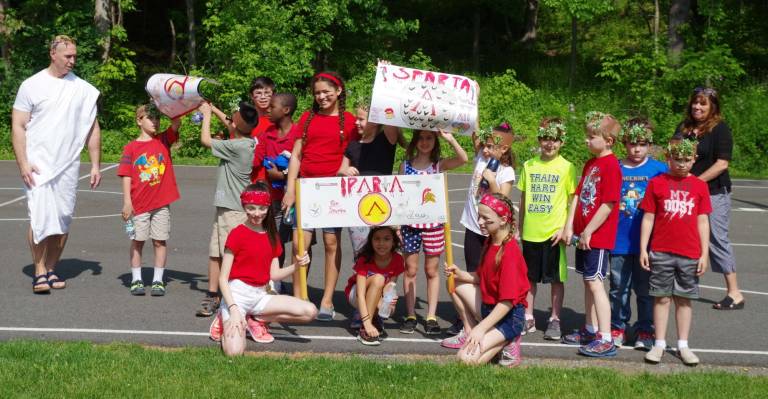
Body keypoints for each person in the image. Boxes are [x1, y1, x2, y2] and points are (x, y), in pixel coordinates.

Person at [11, 35, 101, 294]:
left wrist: (95, 164)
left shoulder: (83, 89)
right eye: (67, 56)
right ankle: (39, 271)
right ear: (53, 54)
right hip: (38, 166)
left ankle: (51, 267)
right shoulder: (32, 85)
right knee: (40, 217)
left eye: (74, 56)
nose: (72, 61)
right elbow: (17, 126)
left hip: (68, 166)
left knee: (62, 221)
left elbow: (92, 128)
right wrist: (23, 163)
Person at [282, 71, 358, 320]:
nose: (321, 96)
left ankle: (327, 300)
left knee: (331, 244)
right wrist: (291, 190)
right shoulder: (307, 118)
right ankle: (299, 297)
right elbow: (296, 155)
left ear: (338, 91)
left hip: (333, 192)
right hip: (306, 189)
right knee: (298, 245)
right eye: (317, 92)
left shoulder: (349, 121)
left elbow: (354, 152)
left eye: (326, 91)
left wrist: (346, 169)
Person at [211, 183, 318, 356]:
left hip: (260, 296)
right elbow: (223, 279)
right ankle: (224, 320)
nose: (256, 213)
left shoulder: (272, 235)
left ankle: (256, 319)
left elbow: (274, 275)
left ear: (268, 208)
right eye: (251, 208)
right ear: (244, 207)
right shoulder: (237, 234)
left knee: (310, 312)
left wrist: (297, 266)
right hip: (236, 296)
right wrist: (233, 309)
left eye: (261, 208)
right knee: (234, 352)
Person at [639, 138, 711, 366]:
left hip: (689, 253)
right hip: (661, 251)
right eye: (676, 159)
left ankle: (683, 345)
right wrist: (643, 247)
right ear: (668, 158)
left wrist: (704, 253)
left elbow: (703, 221)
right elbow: (648, 217)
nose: (681, 164)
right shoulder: (657, 183)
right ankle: (659, 344)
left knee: (684, 299)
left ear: (694, 159)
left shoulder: (700, 185)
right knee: (661, 298)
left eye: (686, 160)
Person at [443, 122, 516, 340]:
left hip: (489, 232)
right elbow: (475, 129)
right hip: (472, 226)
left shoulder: (506, 171)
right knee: (469, 272)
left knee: (484, 277)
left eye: (491, 146)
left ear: (503, 149)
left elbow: (501, 201)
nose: (485, 149)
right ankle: (467, 319)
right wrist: (476, 95)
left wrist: (492, 180)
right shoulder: (482, 158)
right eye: (484, 145)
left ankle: (485, 319)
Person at [674, 87, 744, 311]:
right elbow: (673, 151)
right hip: (686, 192)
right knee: (686, 237)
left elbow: (722, 163)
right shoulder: (684, 128)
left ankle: (734, 292)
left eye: (703, 104)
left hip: (714, 192)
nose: (698, 107)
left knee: (716, 238)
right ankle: (684, 285)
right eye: (695, 103)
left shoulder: (720, 129)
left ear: (712, 107)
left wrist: (696, 182)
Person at [444, 193, 529, 367]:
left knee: (465, 360)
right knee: (453, 282)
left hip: (508, 318)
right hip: (488, 309)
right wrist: (460, 274)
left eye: (486, 218)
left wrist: (481, 328)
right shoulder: (490, 242)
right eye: (479, 217)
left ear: (503, 219)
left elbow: (507, 302)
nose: (480, 222)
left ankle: (509, 338)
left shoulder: (510, 253)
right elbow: (480, 278)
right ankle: (471, 331)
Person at [562, 112, 622, 358]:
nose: (586, 141)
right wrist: (569, 226)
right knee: (588, 282)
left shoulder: (611, 167)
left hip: (597, 237)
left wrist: (588, 230)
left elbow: (608, 204)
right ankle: (590, 328)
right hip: (584, 236)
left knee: (596, 283)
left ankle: (605, 337)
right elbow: (577, 195)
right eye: (586, 136)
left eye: (592, 136)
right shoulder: (591, 163)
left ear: (609, 140)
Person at [399, 128, 468, 335]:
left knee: (431, 271)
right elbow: (399, 196)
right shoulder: (405, 165)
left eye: (429, 138)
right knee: (410, 271)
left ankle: (430, 315)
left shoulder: (439, 165)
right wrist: (397, 226)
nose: (424, 142)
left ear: (434, 141)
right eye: (420, 138)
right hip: (410, 226)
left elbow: (463, 159)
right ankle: (411, 315)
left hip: (433, 225)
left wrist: (449, 138)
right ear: (415, 141)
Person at [195, 101, 258, 319]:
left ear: (239, 122)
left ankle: (233, 297)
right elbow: (233, 124)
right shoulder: (245, 140)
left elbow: (205, 140)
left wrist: (206, 116)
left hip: (233, 211)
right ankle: (214, 294)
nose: (230, 118)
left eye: (234, 116)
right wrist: (213, 109)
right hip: (225, 207)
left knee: (230, 254)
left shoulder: (237, 147)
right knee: (215, 252)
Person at [516, 118, 577, 342]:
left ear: (561, 142)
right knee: (529, 278)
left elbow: (573, 201)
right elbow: (523, 198)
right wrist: (519, 226)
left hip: (554, 234)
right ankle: (528, 316)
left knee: (555, 280)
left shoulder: (567, 167)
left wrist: (565, 228)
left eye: (555, 139)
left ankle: (554, 319)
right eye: (546, 138)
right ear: (539, 139)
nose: (549, 143)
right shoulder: (529, 165)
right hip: (531, 232)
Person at [609, 118, 667, 349]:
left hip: (647, 243)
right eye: (632, 143)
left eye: (642, 144)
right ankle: (618, 326)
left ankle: (645, 329)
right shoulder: (615, 167)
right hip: (618, 240)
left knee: (645, 290)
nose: (637, 149)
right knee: (618, 288)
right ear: (625, 143)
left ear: (650, 145)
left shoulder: (659, 170)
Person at [118, 103, 182, 296]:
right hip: (139, 204)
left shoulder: (163, 140)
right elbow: (126, 175)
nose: (155, 121)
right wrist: (127, 202)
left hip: (161, 204)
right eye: (150, 118)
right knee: (137, 241)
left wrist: (170, 103)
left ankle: (157, 280)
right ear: (139, 120)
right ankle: (136, 279)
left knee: (159, 241)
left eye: (157, 118)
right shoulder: (131, 148)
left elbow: (176, 123)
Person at [337, 102, 404, 255]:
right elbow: (340, 172)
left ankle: (386, 280)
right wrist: (345, 172)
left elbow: (390, 114)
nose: (356, 122)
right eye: (356, 118)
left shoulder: (387, 139)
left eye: (361, 119)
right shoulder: (353, 145)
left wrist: (383, 99)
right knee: (361, 254)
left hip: (383, 204)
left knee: (386, 253)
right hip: (359, 207)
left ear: (375, 120)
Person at [343, 226, 405, 346]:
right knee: (378, 278)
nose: (381, 243)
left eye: (387, 239)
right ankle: (364, 328)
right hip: (355, 294)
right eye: (377, 239)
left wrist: (389, 303)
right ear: (371, 241)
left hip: (376, 294)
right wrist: (366, 323)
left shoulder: (397, 259)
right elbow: (360, 295)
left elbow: (389, 288)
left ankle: (374, 318)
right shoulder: (364, 259)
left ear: (393, 241)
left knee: (389, 309)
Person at [248, 76, 276, 181]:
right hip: (251, 179)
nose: (263, 97)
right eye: (258, 93)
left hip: (275, 181)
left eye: (267, 93)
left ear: (273, 95)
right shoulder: (245, 122)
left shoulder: (280, 121)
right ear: (251, 95)